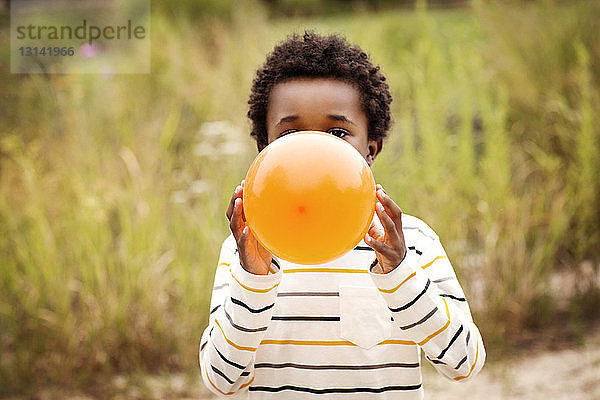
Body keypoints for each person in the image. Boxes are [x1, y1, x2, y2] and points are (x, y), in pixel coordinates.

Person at [199, 31, 485, 399]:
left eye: (337, 132)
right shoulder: (246, 252)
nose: (314, 149)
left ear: (370, 148)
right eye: (291, 133)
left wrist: (399, 274)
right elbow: (221, 382)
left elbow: (465, 363)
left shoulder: (410, 242)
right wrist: (253, 279)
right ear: (264, 148)